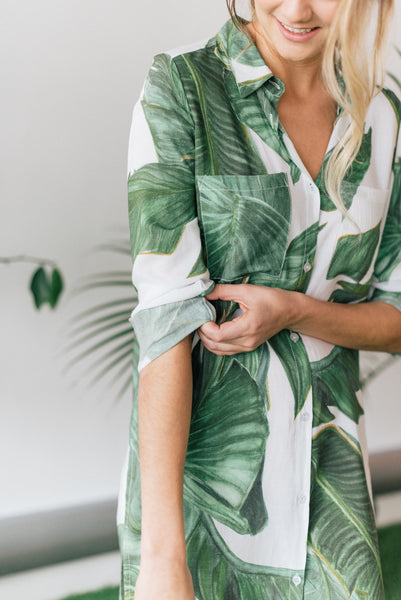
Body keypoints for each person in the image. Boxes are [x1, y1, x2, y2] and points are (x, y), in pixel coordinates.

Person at [117, 0, 401, 598]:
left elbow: (398, 317)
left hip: (333, 483)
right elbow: (165, 323)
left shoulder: (383, 119)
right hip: (203, 503)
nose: (296, 8)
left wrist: (296, 312)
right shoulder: (183, 90)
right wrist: (165, 559)